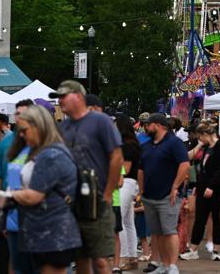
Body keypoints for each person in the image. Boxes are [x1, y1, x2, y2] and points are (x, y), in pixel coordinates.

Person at [52, 80, 122, 274]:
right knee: (80, 258)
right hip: (72, 202)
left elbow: (116, 157)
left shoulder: (101, 121)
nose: (60, 101)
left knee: (100, 260)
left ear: (78, 97)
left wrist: (108, 193)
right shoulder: (63, 127)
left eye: (63, 96)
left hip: (97, 199)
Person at [10, 105, 81, 274]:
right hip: (47, 232)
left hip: (51, 234)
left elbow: (34, 196)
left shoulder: (50, 155)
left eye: (24, 130)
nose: (21, 135)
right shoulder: (49, 151)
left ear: (38, 127)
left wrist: (10, 194)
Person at [138, 113, 190, 274]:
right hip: (149, 196)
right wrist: (141, 191)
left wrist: (175, 186)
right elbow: (141, 169)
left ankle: (172, 266)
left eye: (149, 124)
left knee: (169, 231)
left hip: (168, 196)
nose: (146, 127)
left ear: (159, 125)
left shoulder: (174, 143)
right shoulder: (147, 145)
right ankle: (164, 264)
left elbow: (184, 165)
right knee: (157, 232)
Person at [0, 98, 35, 274]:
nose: (19, 117)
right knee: (14, 264)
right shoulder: (8, 142)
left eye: (24, 113)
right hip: (11, 214)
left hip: (35, 217)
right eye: (17, 113)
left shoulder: (41, 144)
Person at [180, 121, 220, 262]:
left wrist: (212, 186)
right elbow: (201, 168)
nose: (199, 140)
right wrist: (199, 185)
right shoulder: (207, 147)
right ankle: (193, 249)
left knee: (217, 219)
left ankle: (216, 250)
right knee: (200, 218)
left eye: (200, 137)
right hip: (203, 188)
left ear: (205, 134)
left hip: (217, 189)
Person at [115, 114, 141, 271]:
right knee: (128, 222)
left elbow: (126, 167)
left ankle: (124, 257)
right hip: (130, 183)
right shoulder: (132, 143)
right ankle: (132, 257)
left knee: (120, 221)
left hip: (125, 182)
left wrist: (116, 175)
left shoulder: (127, 145)